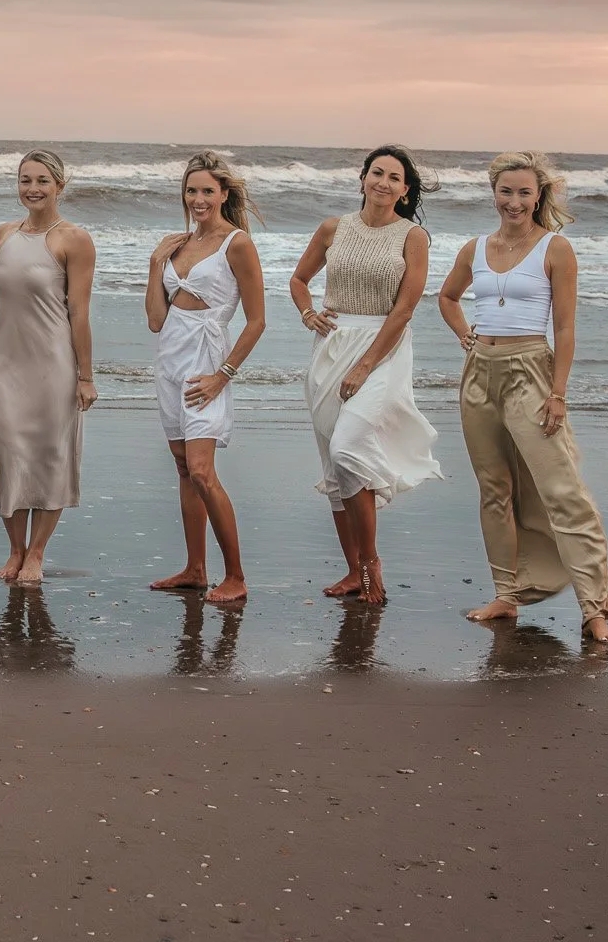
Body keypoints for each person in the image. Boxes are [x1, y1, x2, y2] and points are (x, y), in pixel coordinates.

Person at [436, 151, 608, 643]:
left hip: (530, 372)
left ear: (539, 197)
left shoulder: (555, 249)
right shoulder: (474, 248)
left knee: (562, 490)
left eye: (524, 193)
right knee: (494, 490)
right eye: (506, 191)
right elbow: (447, 298)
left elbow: (564, 326)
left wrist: (558, 394)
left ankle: (595, 608)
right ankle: (506, 596)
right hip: (479, 375)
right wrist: (464, 335)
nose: (514, 202)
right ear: (493, 192)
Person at [289, 144, 443, 605]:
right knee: (336, 464)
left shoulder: (412, 237)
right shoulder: (334, 228)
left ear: (405, 189)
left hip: (383, 348)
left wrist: (365, 363)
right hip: (332, 346)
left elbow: (405, 310)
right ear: (362, 179)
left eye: (394, 178)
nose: (383, 183)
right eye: (377, 173)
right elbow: (298, 280)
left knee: (349, 445)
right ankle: (353, 571)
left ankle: (371, 561)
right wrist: (308, 313)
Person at [144, 151, 268, 605]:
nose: (198, 199)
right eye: (191, 191)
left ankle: (235, 575)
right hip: (170, 360)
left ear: (224, 194)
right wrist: (156, 264)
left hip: (207, 363)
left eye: (207, 191)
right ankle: (196, 569)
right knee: (183, 469)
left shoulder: (236, 243)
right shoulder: (177, 244)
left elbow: (257, 321)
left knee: (201, 469)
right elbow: (157, 320)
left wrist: (223, 376)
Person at [0, 149, 96, 584]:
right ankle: (15, 549)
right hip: (8, 365)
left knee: (49, 457)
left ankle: (37, 553)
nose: (33, 188)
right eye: (25, 180)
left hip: (54, 364)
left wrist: (85, 376)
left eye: (42, 180)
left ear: (59, 186)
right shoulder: (4, 233)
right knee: (12, 456)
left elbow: (79, 313)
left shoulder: (75, 240)